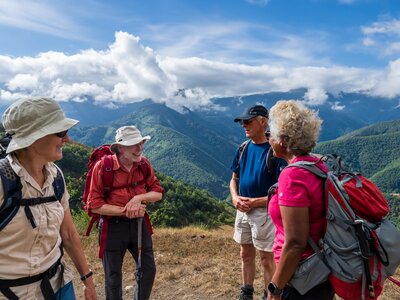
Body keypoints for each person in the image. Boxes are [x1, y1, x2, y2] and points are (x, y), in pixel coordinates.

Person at [0, 97, 97, 299]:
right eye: (60, 132)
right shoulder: (3, 181)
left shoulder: (56, 177)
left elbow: (68, 234)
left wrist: (87, 280)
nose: (67, 139)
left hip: (59, 285)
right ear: (34, 137)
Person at [266, 100, 334, 300]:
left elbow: (295, 242)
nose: (268, 138)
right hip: (322, 270)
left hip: (300, 276)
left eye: (271, 133)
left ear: (283, 141)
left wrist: (275, 288)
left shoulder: (292, 176)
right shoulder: (319, 165)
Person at [87, 125, 164, 300]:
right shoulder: (103, 167)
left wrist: (138, 199)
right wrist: (125, 210)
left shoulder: (144, 164)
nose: (140, 148)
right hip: (112, 227)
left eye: (141, 143)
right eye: (134, 144)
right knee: (113, 277)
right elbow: (94, 205)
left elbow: (158, 192)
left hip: (139, 224)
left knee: (147, 270)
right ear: (120, 148)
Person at [230, 105, 287, 300]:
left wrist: (255, 202)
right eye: (242, 122)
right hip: (243, 209)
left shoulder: (276, 151)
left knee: (266, 257)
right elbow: (234, 179)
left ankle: (267, 294)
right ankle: (246, 292)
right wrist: (235, 198)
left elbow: (282, 192)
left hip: (264, 212)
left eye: (248, 121)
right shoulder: (243, 148)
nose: (243, 126)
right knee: (245, 253)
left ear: (263, 122)